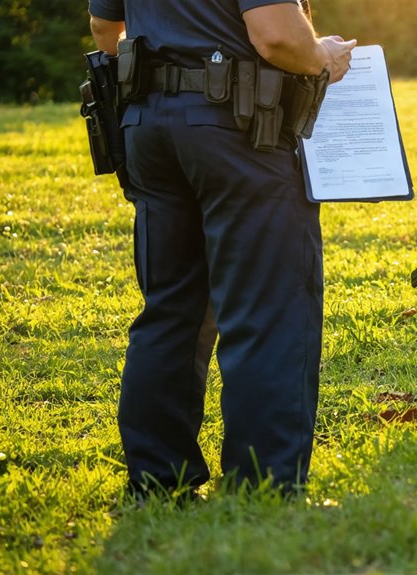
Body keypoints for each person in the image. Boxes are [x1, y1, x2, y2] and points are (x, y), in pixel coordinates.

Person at [87, 0, 355, 499]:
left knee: (170, 310)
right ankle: (264, 489)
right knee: (268, 311)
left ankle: (156, 483)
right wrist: (324, 56)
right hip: (239, 129)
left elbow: (105, 29)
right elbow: (276, 36)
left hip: (149, 128)